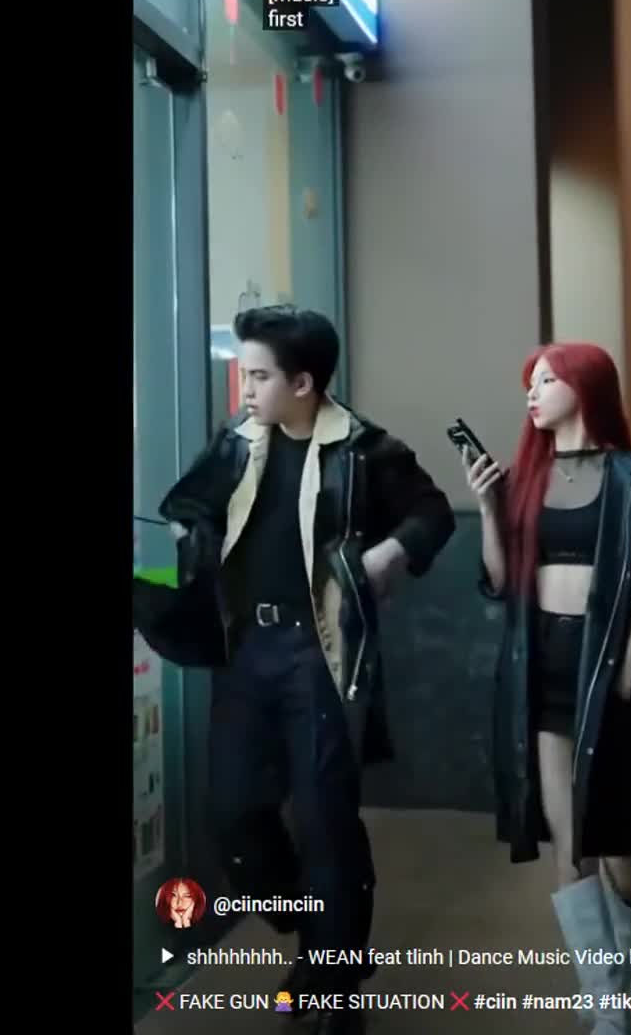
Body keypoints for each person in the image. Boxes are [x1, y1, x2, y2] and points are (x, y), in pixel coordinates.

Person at [158, 306, 455, 1035]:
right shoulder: (236, 441)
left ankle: (331, 980)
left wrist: (388, 555)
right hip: (244, 653)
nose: (245, 389)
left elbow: (433, 513)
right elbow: (190, 505)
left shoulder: (364, 449)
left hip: (320, 652)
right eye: (245, 374)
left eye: (258, 376)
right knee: (235, 811)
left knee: (324, 818)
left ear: (303, 382)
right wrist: (188, 536)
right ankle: (321, 933)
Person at [462, 342, 631, 1035]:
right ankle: (605, 999)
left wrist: (623, 678)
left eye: (546, 381)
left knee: (626, 853)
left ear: (585, 388)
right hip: (542, 668)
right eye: (530, 384)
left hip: (612, 670)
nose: (532, 394)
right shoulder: (524, 479)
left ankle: (617, 974)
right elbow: (501, 582)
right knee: (570, 840)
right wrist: (489, 508)